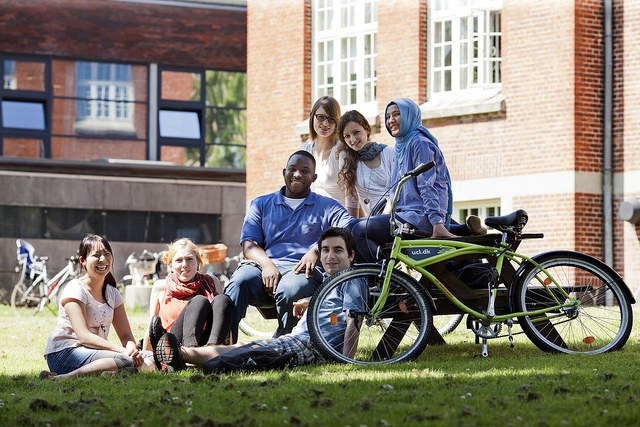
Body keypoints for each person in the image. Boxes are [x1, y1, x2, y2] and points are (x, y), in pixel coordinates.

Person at [155, 227, 367, 372]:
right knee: (242, 346)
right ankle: (182, 353)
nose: (330, 256)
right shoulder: (330, 282)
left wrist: (346, 361)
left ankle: (182, 354)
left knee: (239, 356)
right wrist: (311, 302)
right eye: (326, 250)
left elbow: (353, 320)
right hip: (294, 341)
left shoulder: (352, 281)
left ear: (351, 255)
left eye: (338, 250)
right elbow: (334, 312)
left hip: (309, 347)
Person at [223, 150, 355, 342]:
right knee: (239, 281)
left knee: (291, 288)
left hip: (302, 273)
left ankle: (283, 346)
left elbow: (349, 226)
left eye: (305, 171)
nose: (297, 174)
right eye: (292, 169)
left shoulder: (326, 206)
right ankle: (222, 343)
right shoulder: (261, 204)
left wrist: (317, 250)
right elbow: (249, 244)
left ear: (314, 177)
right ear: (284, 172)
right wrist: (267, 265)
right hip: (263, 268)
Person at [351, 98, 486, 263]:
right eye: (387, 117)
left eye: (396, 114)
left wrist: (437, 223)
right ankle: (465, 230)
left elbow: (428, 186)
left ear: (409, 116)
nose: (391, 120)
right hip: (406, 215)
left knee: (359, 231)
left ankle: (386, 274)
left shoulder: (419, 143)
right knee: (351, 229)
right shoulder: (401, 146)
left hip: (420, 217)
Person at [40, 234, 155, 379]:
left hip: (93, 353)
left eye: (107, 254)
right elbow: (84, 337)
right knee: (124, 359)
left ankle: (113, 372)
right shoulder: (75, 289)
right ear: (83, 260)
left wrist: (132, 350)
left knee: (149, 355)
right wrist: (123, 352)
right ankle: (61, 378)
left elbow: (126, 335)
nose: (103, 259)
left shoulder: (112, 293)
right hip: (65, 354)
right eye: (96, 255)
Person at [144, 238, 234, 370]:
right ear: (170, 265)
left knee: (223, 300)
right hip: (174, 345)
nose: (184, 264)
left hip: (207, 342)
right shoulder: (160, 286)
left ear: (198, 262)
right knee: (200, 301)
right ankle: (189, 355)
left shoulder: (212, 282)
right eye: (178, 260)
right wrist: (145, 356)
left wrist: (230, 349)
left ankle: (212, 355)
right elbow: (152, 327)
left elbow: (221, 321)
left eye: (189, 259)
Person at [300, 96, 358, 216]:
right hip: (310, 218)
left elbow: (351, 195)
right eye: (321, 117)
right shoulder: (305, 150)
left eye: (331, 119)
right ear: (312, 117)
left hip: (336, 219)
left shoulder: (342, 152)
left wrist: (350, 228)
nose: (325, 123)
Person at [337, 110, 395, 217]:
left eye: (356, 132)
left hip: (395, 215)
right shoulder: (346, 158)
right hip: (372, 222)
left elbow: (398, 192)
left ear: (367, 129)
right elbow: (351, 199)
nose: (352, 140)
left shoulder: (389, 152)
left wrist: (385, 216)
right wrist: (350, 228)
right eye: (347, 136)